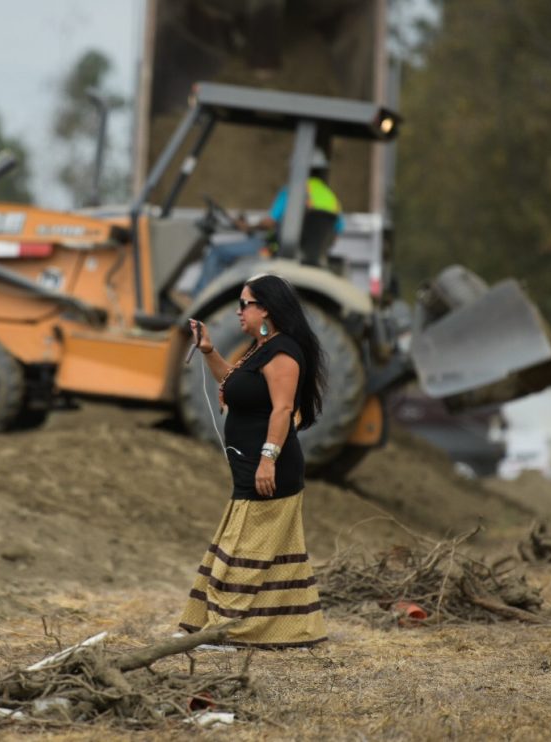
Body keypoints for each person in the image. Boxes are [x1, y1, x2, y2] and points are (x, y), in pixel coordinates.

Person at [177, 274, 328, 648]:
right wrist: (210, 351)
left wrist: (267, 460)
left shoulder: (283, 353)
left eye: (246, 304)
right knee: (261, 553)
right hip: (250, 468)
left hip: (270, 469)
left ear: (267, 309)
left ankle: (223, 629)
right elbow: (232, 382)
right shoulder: (261, 347)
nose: (239, 311)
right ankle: (293, 630)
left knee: (243, 551)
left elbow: (282, 410)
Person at [192, 148, 343, 295]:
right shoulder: (332, 198)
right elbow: (334, 236)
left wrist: (248, 226)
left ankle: (198, 296)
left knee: (217, 252)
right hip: (308, 256)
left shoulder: (294, 191)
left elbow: (270, 223)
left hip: (274, 248)